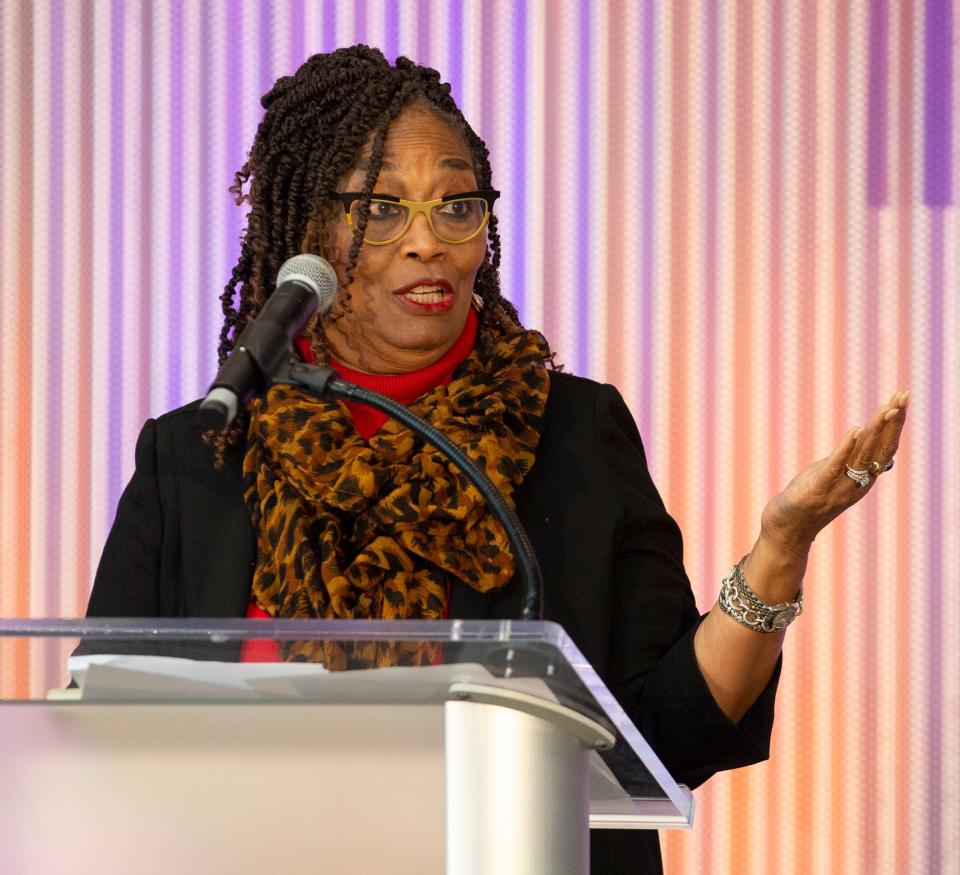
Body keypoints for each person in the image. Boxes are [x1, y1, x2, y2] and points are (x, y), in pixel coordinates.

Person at [85, 46, 908, 873]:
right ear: (309, 230)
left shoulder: (575, 433)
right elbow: (102, 740)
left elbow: (665, 733)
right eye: (380, 208)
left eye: (456, 205)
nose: (426, 242)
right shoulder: (201, 455)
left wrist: (778, 551)